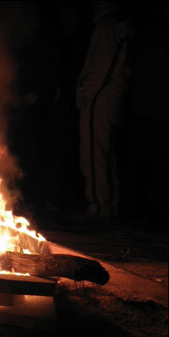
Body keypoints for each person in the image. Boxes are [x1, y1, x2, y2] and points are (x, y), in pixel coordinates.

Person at [76, 2, 135, 219]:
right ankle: (109, 203)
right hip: (110, 96)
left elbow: (102, 68)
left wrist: (86, 95)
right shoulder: (119, 29)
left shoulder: (107, 29)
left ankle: (99, 206)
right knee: (105, 152)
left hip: (99, 98)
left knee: (93, 153)